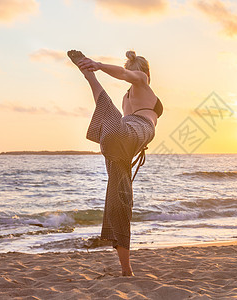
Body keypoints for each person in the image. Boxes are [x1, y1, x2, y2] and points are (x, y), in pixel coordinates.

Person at [67, 50, 163, 276]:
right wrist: (98, 64)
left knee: (119, 201)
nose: (134, 76)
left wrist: (96, 69)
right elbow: (122, 73)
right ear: (146, 71)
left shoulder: (129, 95)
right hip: (131, 133)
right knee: (121, 202)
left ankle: (126, 269)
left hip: (117, 139)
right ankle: (90, 72)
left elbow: (122, 75)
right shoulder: (143, 80)